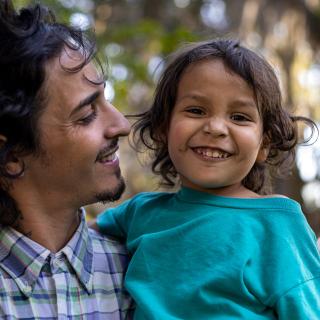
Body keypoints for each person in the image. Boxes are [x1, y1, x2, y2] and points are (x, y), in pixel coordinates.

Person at [94, 39, 320, 319]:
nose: (214, 128)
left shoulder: (277, 225)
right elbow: (69, 234)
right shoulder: (140, 213)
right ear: (164, 128)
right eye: (196, 111)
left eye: (239, 117)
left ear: (264, 144)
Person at [0, 1, 133, 319]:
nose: (122, 125)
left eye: (106, 98)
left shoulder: (141, 272)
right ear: (11, 156)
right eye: (87, 115)